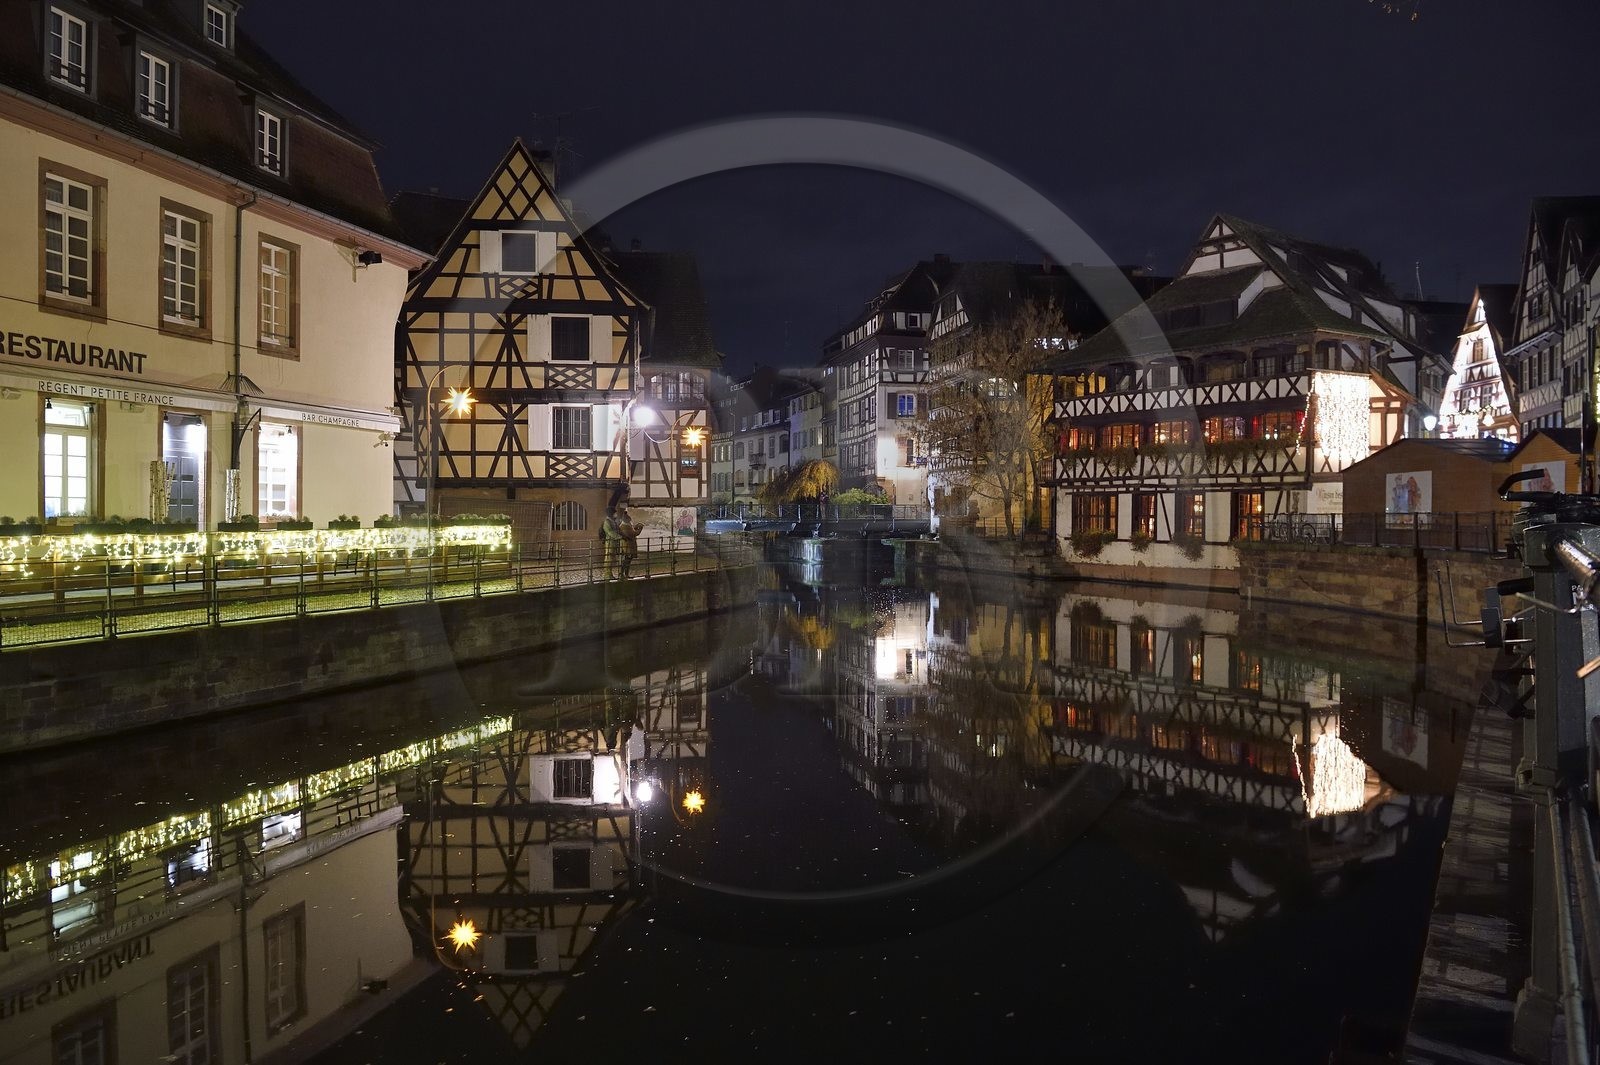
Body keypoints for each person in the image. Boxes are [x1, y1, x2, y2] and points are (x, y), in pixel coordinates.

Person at [616, 506, 640, 578]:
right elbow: (634, 533)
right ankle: (624, 574)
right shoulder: (626, 527)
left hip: (625, 545)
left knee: (626, 560)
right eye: (630, 521)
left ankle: (624, 574)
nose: (631, 522)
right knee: (627, 560)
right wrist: (640, 528)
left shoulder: (622, 526)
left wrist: (635, 528)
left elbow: (631, 532)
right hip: (628, 546)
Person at [600, 507, 623, 579]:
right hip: (609, 542)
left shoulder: (613, 521)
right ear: (611, 514)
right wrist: (619, 537)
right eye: (614, 513)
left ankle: (610, 574)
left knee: (611, 558)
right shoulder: (607, 522)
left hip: (614, 542)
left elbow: (617, 530)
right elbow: (610, 532)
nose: (615, 514)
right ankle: (607, 574)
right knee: (608, 558)